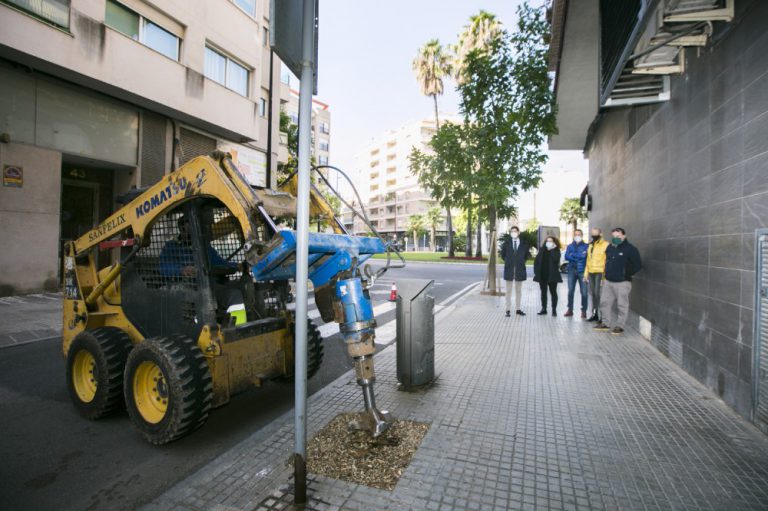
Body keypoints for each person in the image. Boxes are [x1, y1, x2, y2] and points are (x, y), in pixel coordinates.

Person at [160, 214, 243, 308]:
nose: (189, 233)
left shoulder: (204, 246)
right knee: (192, 299)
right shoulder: (171, 247)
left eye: (192, 230)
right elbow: (164, 267)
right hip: (184, 285)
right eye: (186, 229)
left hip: (206, 284)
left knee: (234, 295)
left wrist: (236, 266)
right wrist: (181, 270)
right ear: (181, 229)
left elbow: (219, 263)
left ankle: (238, 322)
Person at [594, 227, 642, 335]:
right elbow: (607, 261)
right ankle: (605, 323)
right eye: (614, 236)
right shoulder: (610, 247)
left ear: (624, 236)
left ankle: (620, 326)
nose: (615, 238)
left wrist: (626, 274)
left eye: (618, 236)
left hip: (622, 282)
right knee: (604, 302)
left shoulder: (631, 249)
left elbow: (638, 265)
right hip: (608, 281)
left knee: (622, 305)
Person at [500, 226, 530, 317]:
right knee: (508, 291)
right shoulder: (506, 243)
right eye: (512, 231)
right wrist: (509, 261)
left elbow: (526, 255)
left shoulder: (524, 244)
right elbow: (503, 255)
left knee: (518, 291)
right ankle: (508, 310)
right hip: (509, 269)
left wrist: (520, 261)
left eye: (515, 231)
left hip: (519, 269)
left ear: (518, 232)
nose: (513, 232)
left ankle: (518, 309)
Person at [583, 227, 609, 322]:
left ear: (601, 234)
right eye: (592, 234)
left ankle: (603, 316)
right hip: (591, 273)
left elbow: (607, 260)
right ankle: (595, 314)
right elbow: (588, 261)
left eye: (596, 234)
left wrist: (605, 275)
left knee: (599, 294)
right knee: (594, 294)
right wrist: (586, 274)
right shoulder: (590, 245)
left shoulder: (606, 245)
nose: (594, 236)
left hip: (600, 272)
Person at [533, 236, 562, 316]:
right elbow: (536, 261)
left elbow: (556, 259)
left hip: (552, 276)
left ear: (554, 243)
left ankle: (554, 310)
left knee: (553, 293)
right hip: (542, 275)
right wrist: (536, 272)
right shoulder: (542, 250)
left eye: (551, 241)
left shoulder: (556, 250)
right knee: (543, 292)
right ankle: (544, 309)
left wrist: (552, 249)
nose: (549, 242)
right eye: (547, 241)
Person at [564, 229, 589, 318]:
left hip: (582, 271)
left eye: (579, 234)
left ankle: (584, 311)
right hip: (571, 271)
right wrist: (579, 255)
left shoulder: (587, 246)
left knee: (584, 292)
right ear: (573, 236)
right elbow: (566, 256)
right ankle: (570, 310)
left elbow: (585, 256)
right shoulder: (570, 246)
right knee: (570, 291)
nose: (577, 236)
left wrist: (573, 255)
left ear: (582, 235)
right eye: (575, 234)